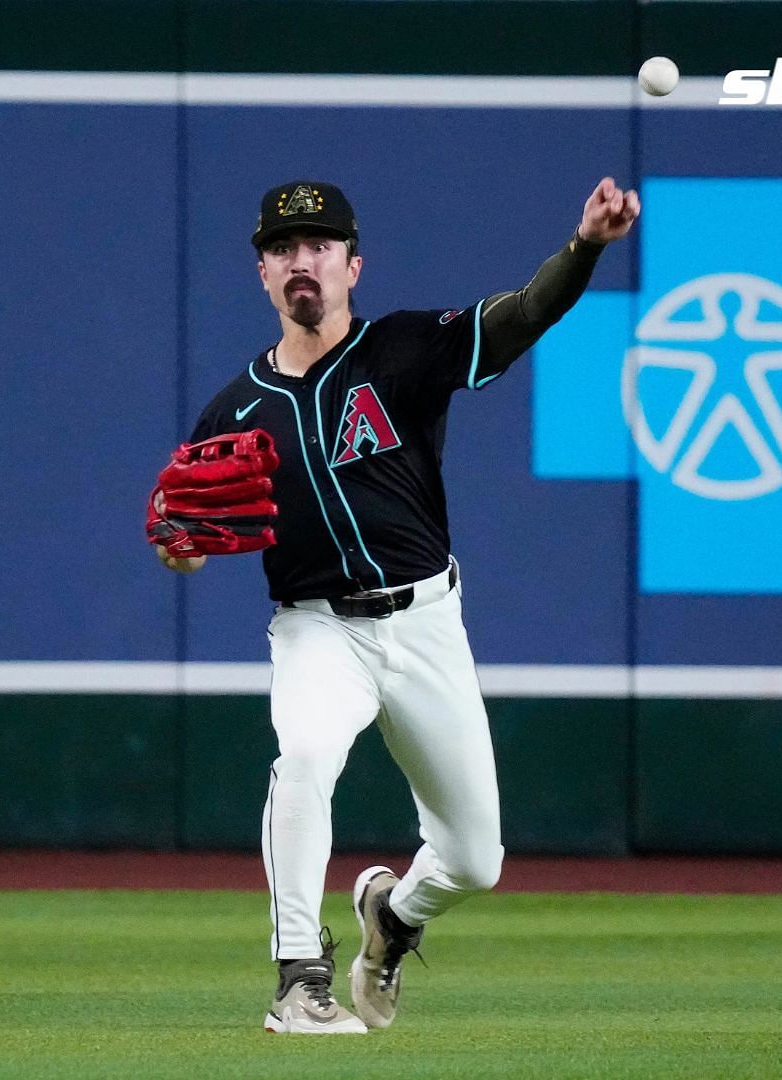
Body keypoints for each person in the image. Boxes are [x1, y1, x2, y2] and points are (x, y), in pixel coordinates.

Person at [157, 178, 639, 1033]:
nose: (300, 261)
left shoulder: (408, 348)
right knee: (303, 756)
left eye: (318, 246)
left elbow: (526, 312)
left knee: (475, 860)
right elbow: (185, 535)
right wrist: (180, 548)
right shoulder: (233, 411)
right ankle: (299, 978)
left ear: (353, 264)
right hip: (318, 628)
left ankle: (395, 916)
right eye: (282, 249)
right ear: (262, 274)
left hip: (425, 623)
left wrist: (587, 244)